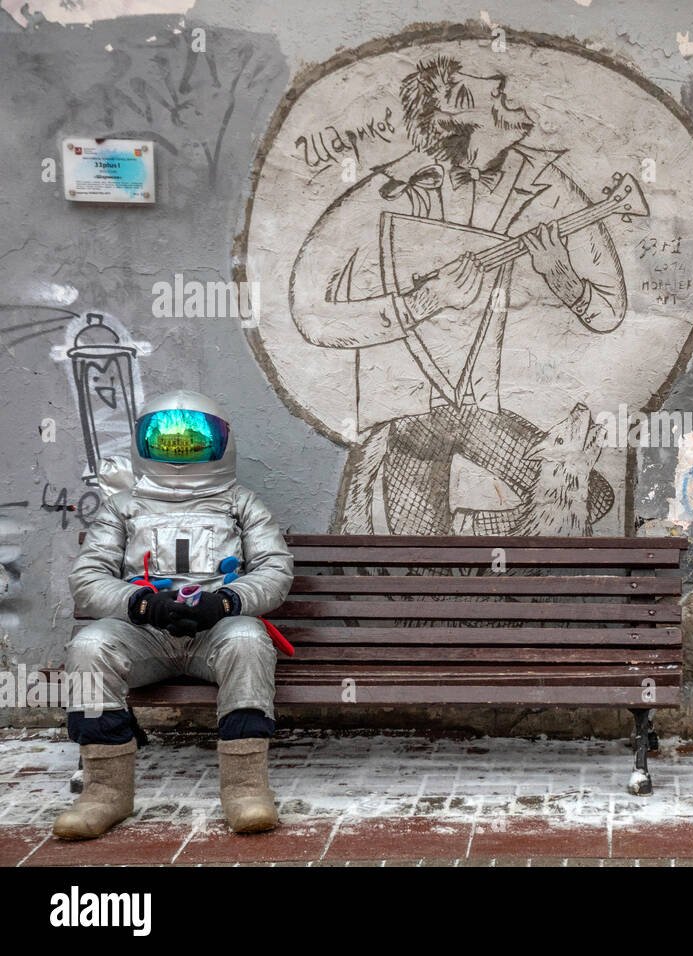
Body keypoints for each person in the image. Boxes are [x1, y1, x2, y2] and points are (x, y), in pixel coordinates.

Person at [290, 56, 627, 536]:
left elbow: (609, 309)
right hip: (406, 416)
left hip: (478, 409)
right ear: (453, 114)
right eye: (494, 93)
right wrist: (424, 301)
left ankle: (473, 531)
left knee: (583, 493)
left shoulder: (549, 186)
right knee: (414, 565)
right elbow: (310, 314)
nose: (508, 93)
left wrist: (563, 278)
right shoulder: (388, 190)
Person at [57, 390, 293, 840]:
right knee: (89, 645)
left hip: (215, 634)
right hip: (143, 634)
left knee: (247, 638)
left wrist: (226, 603)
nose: (179, 450)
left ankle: (245, 789)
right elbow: (87, 578)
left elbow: (275, 570)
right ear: (144, 443)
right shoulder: (123, 508)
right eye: (167, 440)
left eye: (193, 440)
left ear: (222, 443)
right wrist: (141, 605)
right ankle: (104, 791)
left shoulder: (240, 504)